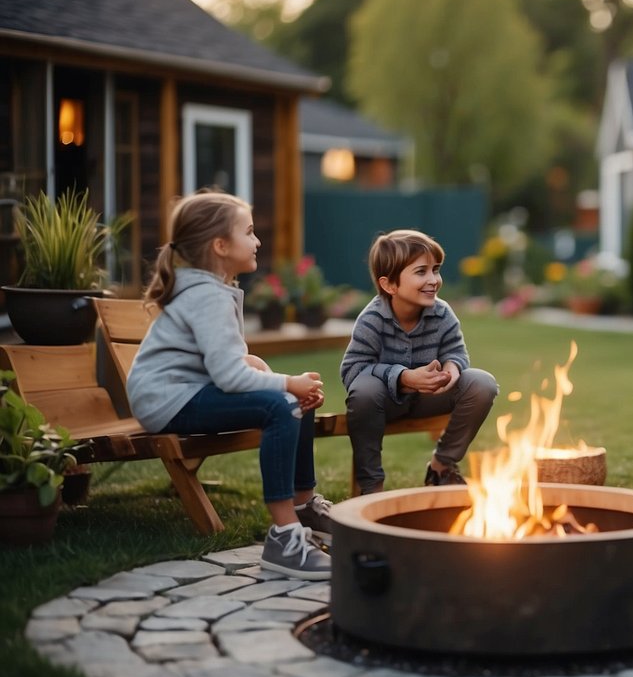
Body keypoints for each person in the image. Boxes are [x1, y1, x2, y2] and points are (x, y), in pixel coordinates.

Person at [127, 190, 334, 580]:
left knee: (293, 398)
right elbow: (228, 377)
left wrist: (274, 378)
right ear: (220, 245)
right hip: (167, 399)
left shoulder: (210, 290)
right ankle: (285, 538)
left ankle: (305, 506)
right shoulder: (207, 296)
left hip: (184, 390)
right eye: (250, 232)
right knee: (283, 401)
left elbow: (224, 361)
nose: (257, 241)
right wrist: (287, 382)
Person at [341, 230, 497, 495]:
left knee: (482, 383)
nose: (433, 280)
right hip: (384, 403)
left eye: (435, 270)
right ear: (390, 285)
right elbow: (352, 371)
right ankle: (372, 486)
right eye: (421, 271)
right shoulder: (372, 319)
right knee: (364, 391)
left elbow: (456, 353)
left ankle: (441, 466)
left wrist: (451, 370)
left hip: (431, 397)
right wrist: (403, 377)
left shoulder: (442, 313)